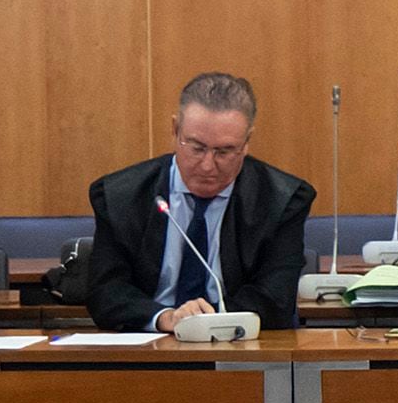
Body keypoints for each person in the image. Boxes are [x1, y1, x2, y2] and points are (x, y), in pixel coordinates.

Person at [83, 72, 314, 335]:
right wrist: (166, 318)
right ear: (175, 130)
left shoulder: (280, 201)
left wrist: (204, 321)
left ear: (247, 143)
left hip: (239, 348)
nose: (207, 165)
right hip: (151, 344)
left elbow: (274, 298)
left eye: (224, 152)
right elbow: (106, 292)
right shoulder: (121, 196)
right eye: (196, 147)